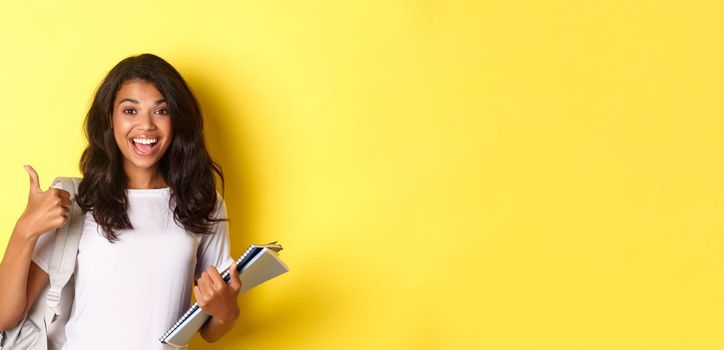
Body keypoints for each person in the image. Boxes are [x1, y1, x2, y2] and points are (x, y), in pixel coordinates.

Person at [0, 53, 241, 349]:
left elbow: (210, 330)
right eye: (130, 111)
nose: (146, 126)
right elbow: (3, 317)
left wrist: (226, 313)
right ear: (109, 118)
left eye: (161, 111)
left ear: (177, 120)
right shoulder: (79, 200)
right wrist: (25, 229)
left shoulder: (202, 203)